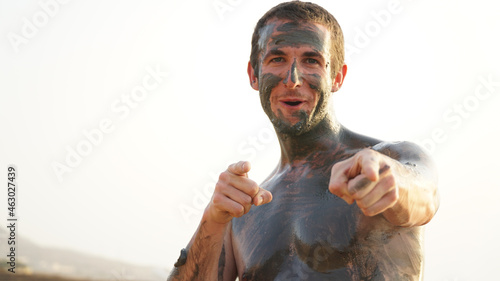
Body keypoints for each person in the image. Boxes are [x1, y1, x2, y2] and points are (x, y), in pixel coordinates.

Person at [168, 1, 439, 280]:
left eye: (312, 60)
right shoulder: (242, 213)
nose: (292, 79)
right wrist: (212, 220)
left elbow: (424, 195)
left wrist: (389, 179)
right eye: (277, 59)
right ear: (254, 74)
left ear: (337, 77)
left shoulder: (390, 162)